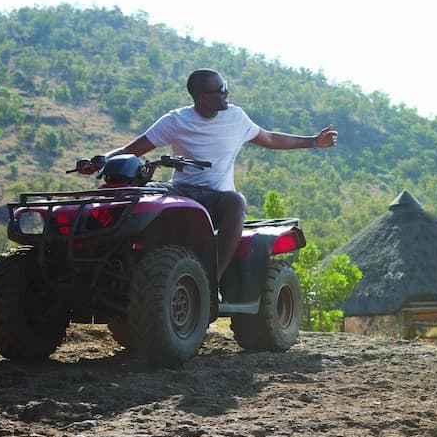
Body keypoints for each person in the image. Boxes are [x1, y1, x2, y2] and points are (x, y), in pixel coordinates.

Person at [105, 68, 337, 282]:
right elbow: (131, 150)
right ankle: (124, 272)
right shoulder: (175, 120)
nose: (227, 93)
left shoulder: (236, 118)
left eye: (225, 87)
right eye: (221, 90)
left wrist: (314, 142)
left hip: (217, 198)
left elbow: (270, 139)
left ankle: (210, 282)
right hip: (180, 193)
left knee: (236, 202)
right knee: (141, 195)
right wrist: (99, 161)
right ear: (202, 97)